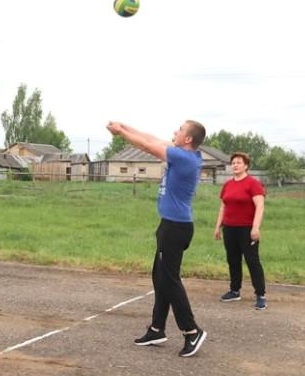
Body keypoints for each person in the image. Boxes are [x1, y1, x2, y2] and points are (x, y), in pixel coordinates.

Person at [106, 120, 208, 357]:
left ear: (188, 139)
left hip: (175, 227)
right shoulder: (183, 153)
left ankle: (192, 331)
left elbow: (149, 148)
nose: (175, 132)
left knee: (169, 279)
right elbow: (151, 139)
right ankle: (156, 328)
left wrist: (121, 133)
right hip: (170, 225)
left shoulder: (184, 158)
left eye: (180, 130)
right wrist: (126, 127)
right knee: (160, 277)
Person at [213, 152, 267, 310]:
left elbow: (260, 206)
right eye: (233, 163)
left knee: (252, 261)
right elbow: (223, 206)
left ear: (246, 166)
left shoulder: (253, 183)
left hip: (247, 229)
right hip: (230, 228)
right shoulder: (228, 185)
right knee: (233, 260)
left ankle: (260, 294)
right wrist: (218, 226)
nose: (235, 165)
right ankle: (234, 290)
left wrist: (255, 227)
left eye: (238, 162)